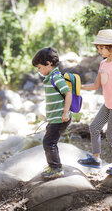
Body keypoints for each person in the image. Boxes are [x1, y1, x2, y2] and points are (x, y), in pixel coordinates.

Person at [77, 29, 112, 175]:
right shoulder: (103, 64)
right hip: (108, 103)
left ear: (111, 48)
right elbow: (95, 85)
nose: (99, 51)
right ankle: (96, 159)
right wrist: (78, 87)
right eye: (98, 48)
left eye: (101, 48)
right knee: (94, 127)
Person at [32, 47, 72, 179]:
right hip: (54, 118)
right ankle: (53, 165)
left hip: (60, 118)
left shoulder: (56, 77)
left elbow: (68, 93)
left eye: (39, 67)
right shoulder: (50, 77)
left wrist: (65, 112)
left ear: (48, 63)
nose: (39, 70)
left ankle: (56, 168)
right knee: (49, 141)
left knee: (49, 142)